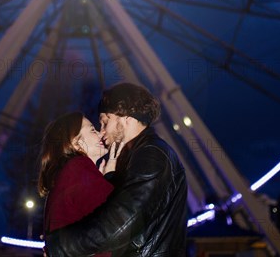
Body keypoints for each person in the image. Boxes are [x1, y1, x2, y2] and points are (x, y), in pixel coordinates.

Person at [45, 83, 188, 257]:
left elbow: (124, 222)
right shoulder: (138, 155)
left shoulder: (152, 154)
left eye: (105, 122)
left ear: (125, 117)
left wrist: (60, 246)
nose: (102, 132)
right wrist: (111, 178)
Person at [38, 112, 123, 257]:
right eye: (92, 130)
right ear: (75, 142)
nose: (101, 132)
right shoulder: (78, 167)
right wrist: (110, 176)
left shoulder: (70, 174)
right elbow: (121, 217)